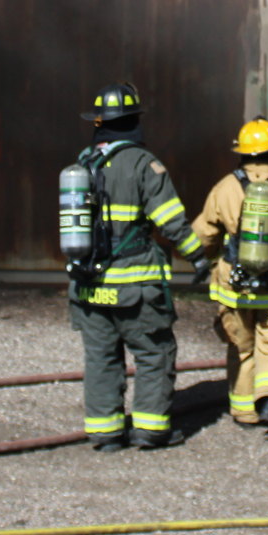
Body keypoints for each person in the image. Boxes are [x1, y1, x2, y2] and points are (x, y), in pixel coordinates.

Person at [67, 82, 207, 453]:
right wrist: (198, 257)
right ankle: (150, 429)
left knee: (101, 358)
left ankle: (106, 434)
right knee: (154, 353)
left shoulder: (81, 165)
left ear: (98, 122)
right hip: (134, 287)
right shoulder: (144, 164)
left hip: (88, 287)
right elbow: (171, 220)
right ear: (133, 121)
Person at [191, 117, 268, 438]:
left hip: (235, 286)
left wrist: (212, 262)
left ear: (243, 153)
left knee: (242, 345)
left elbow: (204, 235)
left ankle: (244, 411)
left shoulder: (225, 187)